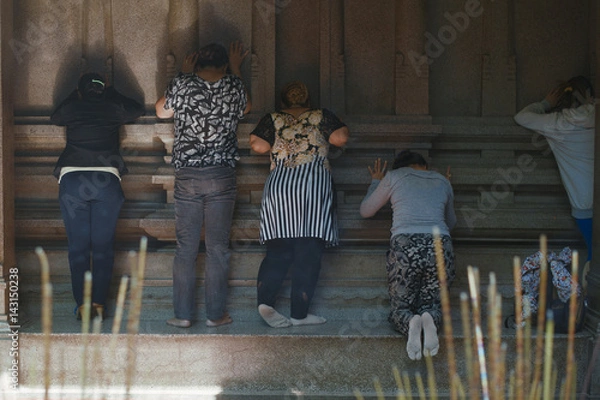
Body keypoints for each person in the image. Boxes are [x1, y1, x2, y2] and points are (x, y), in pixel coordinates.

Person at [155, 41, 251, 328]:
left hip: (188, 175)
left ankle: (183, 315)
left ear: (196, 64)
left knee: (186, 248)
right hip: (222, 175)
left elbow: (162, 111)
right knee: (217, 248)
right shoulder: (234, 86)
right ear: (223, 64)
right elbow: (246, 109)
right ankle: (216, 315)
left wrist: (181, 76)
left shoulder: (184, 83)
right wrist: (236, 69)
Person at [249, 81, 349, 328]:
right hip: (312, 189)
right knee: (308, 252)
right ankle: (299, 314)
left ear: (283, 101)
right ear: (308, 100)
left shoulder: (273, 118)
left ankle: (266, 302)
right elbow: (340, 138)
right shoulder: (321, 115)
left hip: (280, 189)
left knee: (278, 250)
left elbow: (258, 146)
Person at [51, 72, 145, 321]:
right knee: (103, 246)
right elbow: (137, 110)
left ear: (82, 90)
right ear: (103, 90)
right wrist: (112, 92)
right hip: (106, 181)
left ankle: (83, 306)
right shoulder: (112, 107)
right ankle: (100, 304)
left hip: (73, 180)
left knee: (78, 247)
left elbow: (55, 116)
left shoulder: (73, 107)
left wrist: (75, 93)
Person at [359, 151, 456, 360]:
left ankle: (410, 321)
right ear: (424, 165)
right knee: (434, 303)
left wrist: (376, 182)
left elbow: (366, 211)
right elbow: (451, 221)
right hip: (440, 246)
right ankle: (429, 317)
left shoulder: (394, 177)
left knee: (400, 307)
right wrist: (445, 186)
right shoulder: (442, 180)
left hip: (406, 247)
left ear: (399, 166)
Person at [514, 76, 595, 263]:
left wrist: (545, 103)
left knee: (594, 256)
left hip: (584, 206)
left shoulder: (559, 124)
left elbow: (521, 117)